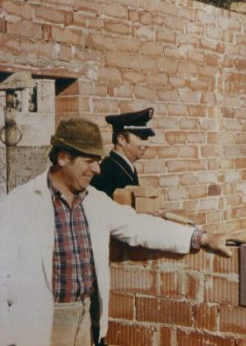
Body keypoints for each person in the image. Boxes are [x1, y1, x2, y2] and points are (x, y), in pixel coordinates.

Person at [0, 117, 232, 346]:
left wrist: (201, 237)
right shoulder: (20, 203)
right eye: (90, 161)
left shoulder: (95, 201)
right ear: (63, 158)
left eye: (98, 161)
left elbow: (140, 226)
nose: (97, 169)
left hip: (87, 316)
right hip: (44, 321)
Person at [91, 108, 155, 198]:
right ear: (121, 140)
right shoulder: (108, 171)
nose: (146, 144)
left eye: (146, 139)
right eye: (140, 138)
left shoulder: (124, 167)